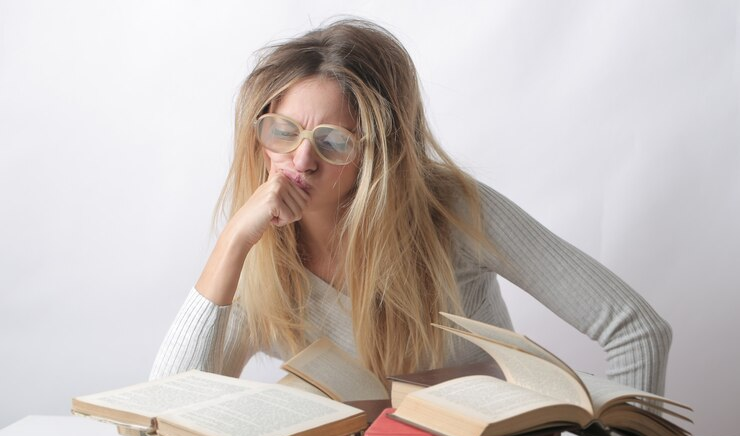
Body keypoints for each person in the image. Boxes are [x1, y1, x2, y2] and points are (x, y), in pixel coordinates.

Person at [150, 18, 671, 395]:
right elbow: (165, 412)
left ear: (379, 154)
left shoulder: (455, 213)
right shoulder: (258, 256)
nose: (301, 161)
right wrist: (233, 241)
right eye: (283, 133)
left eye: (333, 142)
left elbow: (637, 330)